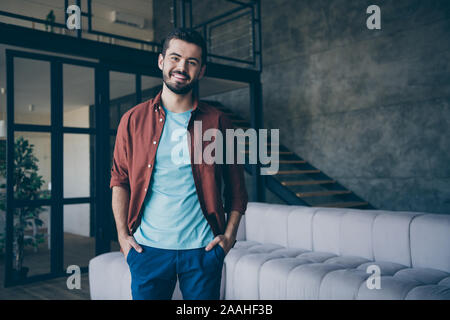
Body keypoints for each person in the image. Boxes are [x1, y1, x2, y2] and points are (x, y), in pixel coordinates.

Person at [110, 28, 248, 300]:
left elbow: (237, 190)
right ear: (161, 61)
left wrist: (228, 238)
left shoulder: (218, 122)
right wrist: (123, 236)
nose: (182, 67)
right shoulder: (132, 120)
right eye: (175, 58)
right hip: (147, 251)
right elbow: (120, 180)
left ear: (201, 70)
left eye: (191, 62)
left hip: (203, 252)